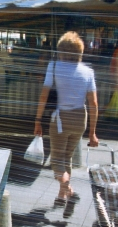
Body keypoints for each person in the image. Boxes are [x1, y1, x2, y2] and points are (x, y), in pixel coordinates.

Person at [34, 32, 99, 215]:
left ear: (61, 51)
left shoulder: (54, 66)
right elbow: (93, 103)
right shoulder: (88, 71)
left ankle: (70, 191)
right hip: (81, 117)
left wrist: (38, 119)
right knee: (67, 157)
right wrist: (92, 132)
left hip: (62, 118)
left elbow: (44, 95)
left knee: (56, 161)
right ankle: (62, 196)